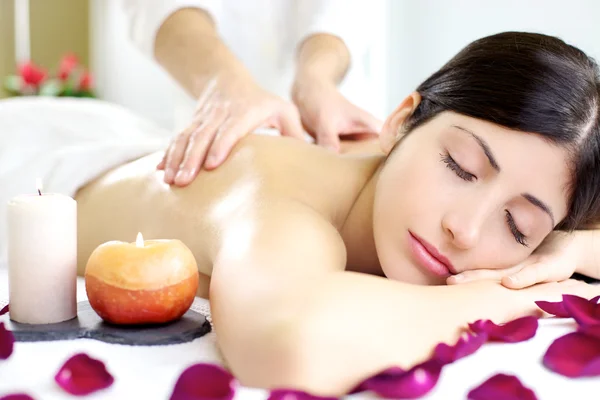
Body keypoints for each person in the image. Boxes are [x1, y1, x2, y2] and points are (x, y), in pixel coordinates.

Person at [1, 31, 599, 396]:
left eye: (519, 227)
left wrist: (567, 252)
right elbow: (291, 348)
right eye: (462, 167)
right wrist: (517, 295)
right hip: (29, 162)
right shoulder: (282, 203)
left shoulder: (393, 172)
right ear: (399, 121)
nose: (465, 229)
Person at [122, 0, 384, 187]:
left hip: (335, 113)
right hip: (215, 126)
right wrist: (223, 82)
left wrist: (316, 78)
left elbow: (343, 10)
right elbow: (159, 7)